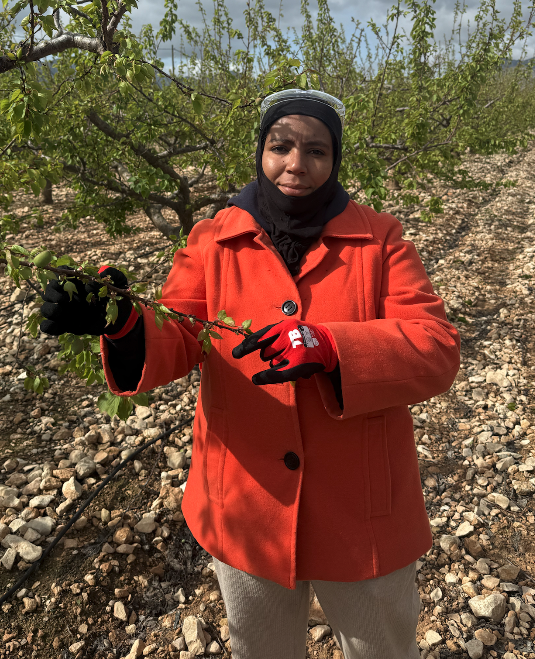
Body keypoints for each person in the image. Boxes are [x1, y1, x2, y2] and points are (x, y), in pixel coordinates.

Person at [40, 88, 461, 659]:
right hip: (245, 504)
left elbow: (435, 347)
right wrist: (120, 320)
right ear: (260, 152)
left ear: (336, 160)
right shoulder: (214, 239)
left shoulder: (380, 239)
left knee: (382, 649)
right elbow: (181, 333)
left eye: (315, 150)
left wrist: (331, 346)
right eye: (280, 146)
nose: (296, 164)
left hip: (361, 512)